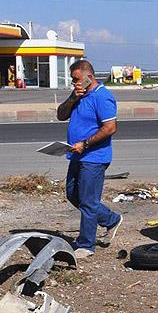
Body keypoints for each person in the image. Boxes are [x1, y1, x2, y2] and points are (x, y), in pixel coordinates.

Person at [57, 60, 123, 258]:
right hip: (76, 154)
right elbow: (61, 115)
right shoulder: (79, 95)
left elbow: (110, 128)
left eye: (76, 79)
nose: (73, 82)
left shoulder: (102, 97)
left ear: (89, 77)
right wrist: (72, 97)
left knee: (88, 201)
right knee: (73, 194)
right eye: (72, 79)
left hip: (94, 157)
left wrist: (85, 144)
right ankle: (111, 220)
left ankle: (86, 244)